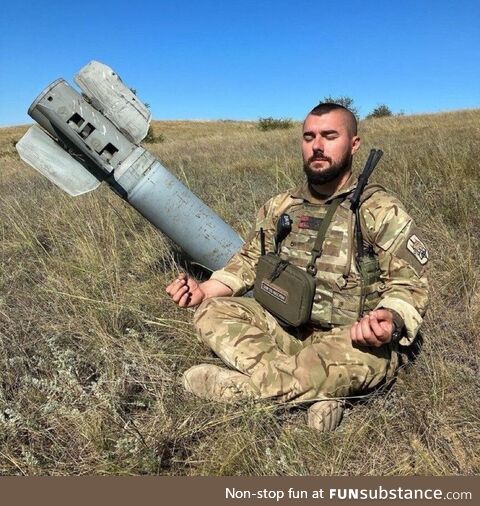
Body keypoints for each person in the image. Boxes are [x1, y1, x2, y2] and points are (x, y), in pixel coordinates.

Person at [166, 103, 429, 431]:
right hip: (284, 327)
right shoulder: (281, 206)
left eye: (329, 136)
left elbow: (410, 283)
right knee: (211, 312)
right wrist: (204, 290)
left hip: (350, 341)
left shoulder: (379, 210)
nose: (317, 145)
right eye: (309, 137)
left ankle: (239, 390)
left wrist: (388, 319)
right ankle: (317, 390)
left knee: (348, 360)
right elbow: (249, 261)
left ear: (354, 144)